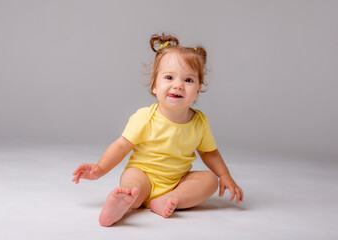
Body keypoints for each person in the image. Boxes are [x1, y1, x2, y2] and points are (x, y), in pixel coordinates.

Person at [72, 33, 243, 227]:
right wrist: (100, 168)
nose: (178, 85)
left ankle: (168, 199)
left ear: (197, 90)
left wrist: (224, 175)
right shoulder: (145, 117)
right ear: (155, 85)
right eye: (169, 77)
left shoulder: (200, 122)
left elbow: (209, 152)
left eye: (188, 80)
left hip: (177, 180)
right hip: (144, 174)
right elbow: (121, 146)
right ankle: (122, 204)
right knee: (132, 183)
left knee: (210, 180)